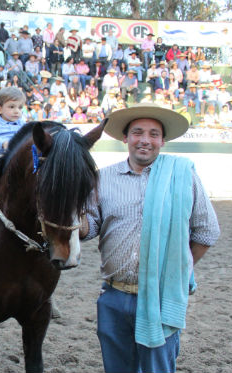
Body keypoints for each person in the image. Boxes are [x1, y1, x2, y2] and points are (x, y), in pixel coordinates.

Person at [81, 103, 220, 373]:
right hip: (114, 295)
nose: (145, 140)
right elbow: (91, 228)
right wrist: (70, 218)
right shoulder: (103, 179)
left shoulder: (183, 175)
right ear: (125, 138)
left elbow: (207, 231)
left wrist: (178, 270)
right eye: (137, 132)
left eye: (154, 134)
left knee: (158, 368)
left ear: (163, 140)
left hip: (161, 296)